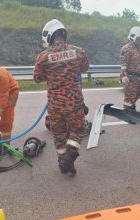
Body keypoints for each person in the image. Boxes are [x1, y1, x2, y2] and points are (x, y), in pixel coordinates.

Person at [33, 19, 89, 175]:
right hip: (74, 102)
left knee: (59, 134)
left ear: (49, 36)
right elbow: (84, 68)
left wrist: (52, 74)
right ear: (64, 34)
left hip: (55, 104)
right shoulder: (78, 52)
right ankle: (70, 157)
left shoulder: (43, 57)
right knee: (79, 129)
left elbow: (37, 78)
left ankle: (63, 162)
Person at [120, 26, 140, 110]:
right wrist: (124, 76)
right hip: (130, 77)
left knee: (137, 95)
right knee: (129, 97)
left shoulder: (139, 49)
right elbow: (123, 64)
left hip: (138, 78)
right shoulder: (126, 49)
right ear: (133, 37)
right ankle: (128, 112)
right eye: (139, 38)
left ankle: (132, 108)